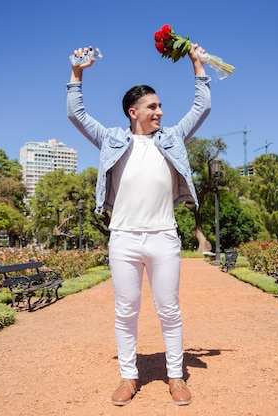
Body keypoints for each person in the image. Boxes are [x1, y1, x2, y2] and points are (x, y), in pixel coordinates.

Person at [66, 44, 211, 406]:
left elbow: (202, 107)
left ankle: (175, 376)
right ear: (134, 112)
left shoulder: (172, 139)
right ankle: (129, 377)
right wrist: (77, 74)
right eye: (153, 106)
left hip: (163, 236)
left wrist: (197, 65)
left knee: (169, 309)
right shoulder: (113, 140)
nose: (161, 111)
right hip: (124, 238)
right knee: (126, 310)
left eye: (160, 106)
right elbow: (76, 114)